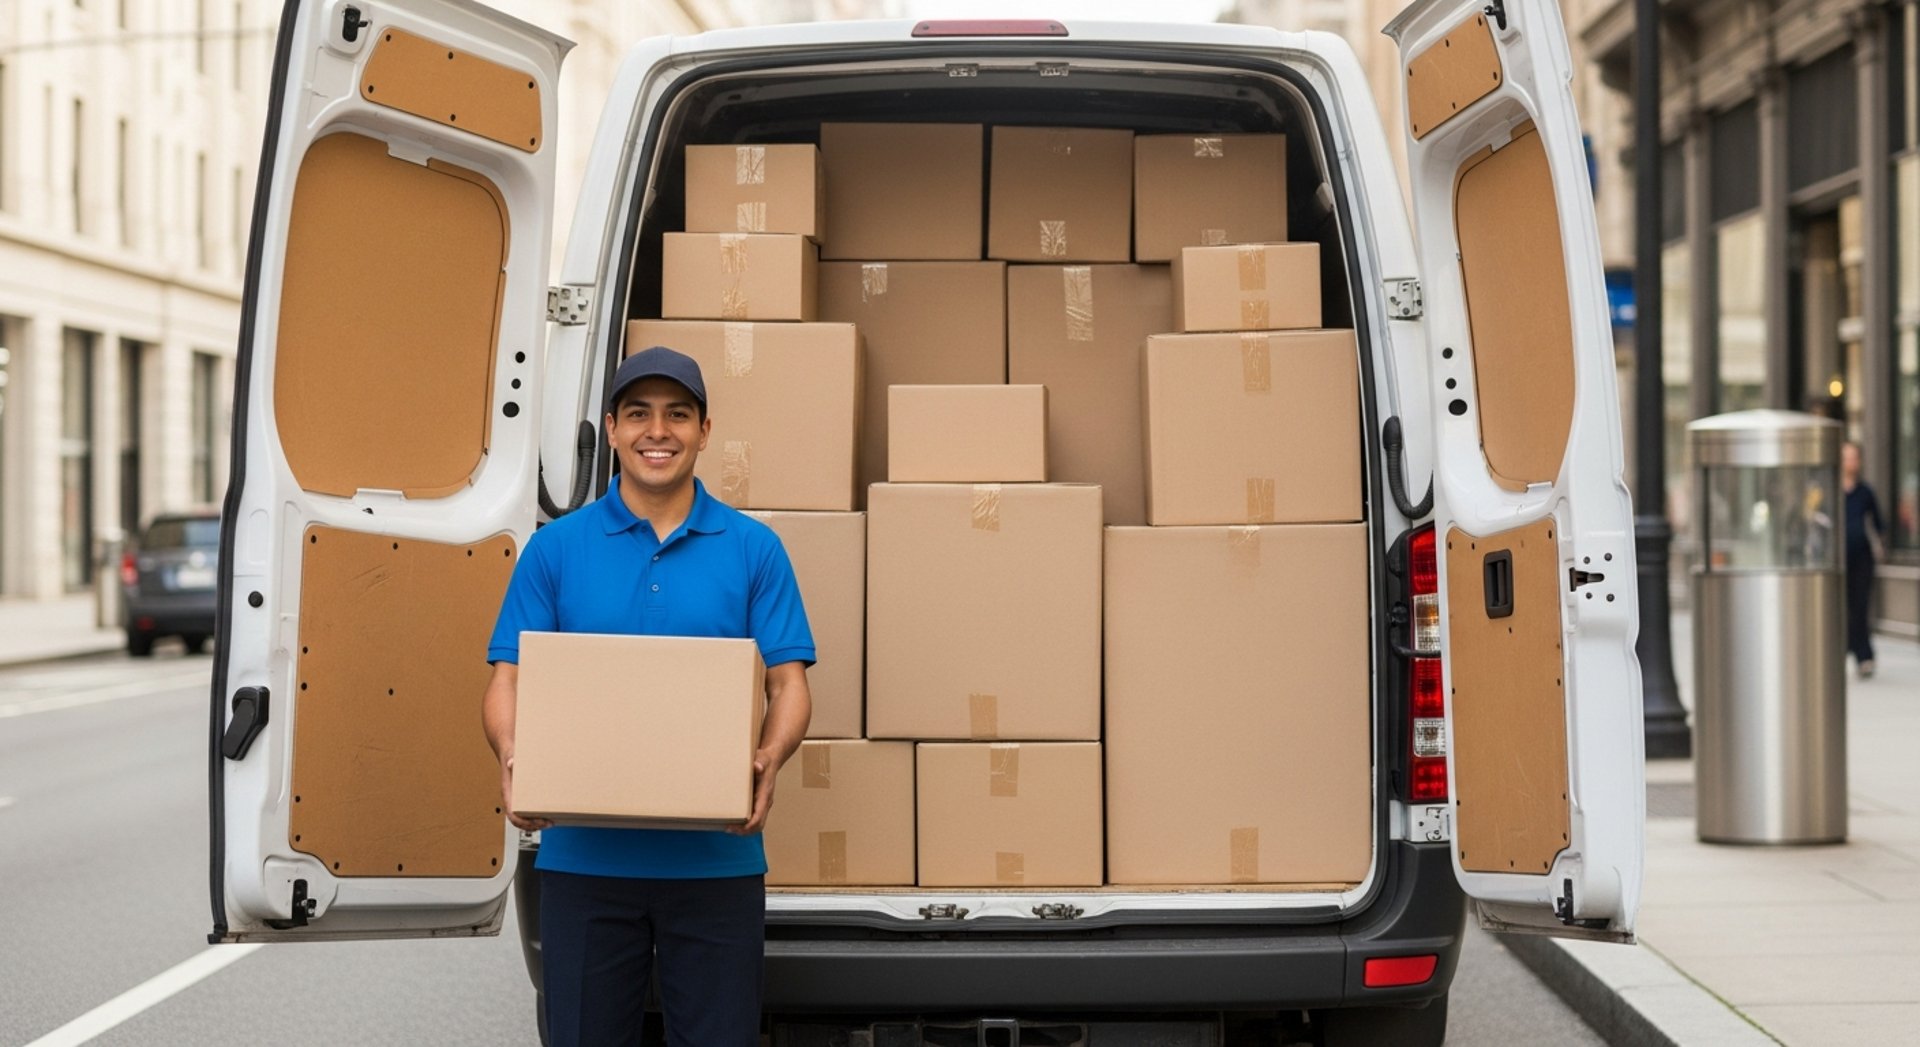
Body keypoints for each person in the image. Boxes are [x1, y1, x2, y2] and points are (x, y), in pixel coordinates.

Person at [481, 346, 814, 1046]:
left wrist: (770, 757)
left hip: (718, 863)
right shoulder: (555, 549)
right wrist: (513, 755)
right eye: (638, 414)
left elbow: (788, 683)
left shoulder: (754, 549)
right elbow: (507, 677)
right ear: (611, 428)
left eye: (677, 414)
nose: (657, 431)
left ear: (704, 430)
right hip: (583, 862)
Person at [1841, 440, 1885, 678]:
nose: (1851, 462)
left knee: (1860, 606)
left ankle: (1863, 655)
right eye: (1846, 457)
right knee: (1841, 608)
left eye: (1854, 457)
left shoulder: (1865, 492)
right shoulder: (1828, 490)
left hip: (1861, 558)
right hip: (1836, 560)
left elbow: (1878, 524)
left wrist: (1879, 546)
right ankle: (1846, 648)